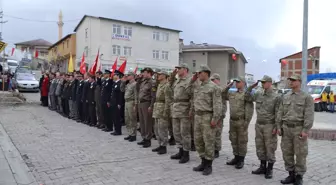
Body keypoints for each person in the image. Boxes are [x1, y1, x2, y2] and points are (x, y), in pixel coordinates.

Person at [277, 74, 314, 185]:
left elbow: (309, 115)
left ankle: (299, 176)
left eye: (293, 80)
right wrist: (278, 126)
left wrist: (305, 130)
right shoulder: (286, 96)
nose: (291, 82)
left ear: (299, 81)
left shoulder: (306, 97)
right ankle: (291, 174)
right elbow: (280, 112)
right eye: (290, 80)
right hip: (286, 129)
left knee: (300, 153)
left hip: (298, 129)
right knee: (286, 152)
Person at [246, 75, 280, 179]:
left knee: (270, 147)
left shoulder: (276, 97)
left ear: (270, 83)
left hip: (269, 125)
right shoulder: (258, 93)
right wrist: (250, 87)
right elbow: (247, 97)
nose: (262, 84)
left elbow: (278, 113)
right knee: (260, 146)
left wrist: (276, 127)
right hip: (259, 124)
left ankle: (269, 169)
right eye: (262, 82)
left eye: (264, 82)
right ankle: (262, 166)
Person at [191, 65, 222, 175]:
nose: (198, 74)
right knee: (198, 141)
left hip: (208, 117)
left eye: (200, 73)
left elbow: (218, 105)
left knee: (208, 141)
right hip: (198, 116)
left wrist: (215, 119)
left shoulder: (214, 87)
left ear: (206, 73)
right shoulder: (198, 86)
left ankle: (209, 165)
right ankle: (203, 161)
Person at [223, 76, 254, 169]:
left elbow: (249, 110)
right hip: (232, 121)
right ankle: (236, 157)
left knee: (242, 141)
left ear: (243, 83)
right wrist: (228, 86)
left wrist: (247, 122)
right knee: (233, 140)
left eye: (238, 82)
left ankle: (241, 160)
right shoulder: (232, 94)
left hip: (241, 121)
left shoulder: (246, 95)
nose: (236, 83)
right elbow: (222, 94)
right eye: (236, 82)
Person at [168, 63, 193, 164]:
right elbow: (169, 85)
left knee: (185, 133)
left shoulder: (190, 81)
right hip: (176, 108)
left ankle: (186, 154)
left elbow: (193, 96)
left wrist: (191, 109)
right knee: (176, 132)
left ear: (185, 69)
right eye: (177, 69)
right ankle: (180, 151)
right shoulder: (177, 81)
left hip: (184, 109)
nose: (177, 70)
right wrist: (173, 75)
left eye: (179, 69)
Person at [152, 70, 173, 155]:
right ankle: (160, 144)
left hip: (163, 108)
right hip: (157, 108)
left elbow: (168, 100)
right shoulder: (160, 85)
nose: (158, 75)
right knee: (156, 128)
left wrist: (166, 111)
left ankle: (164, 146)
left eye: (160, 74)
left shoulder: (166, 86)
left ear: (164, 76)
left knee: (162, 129)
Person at [136, 67, 156, 148]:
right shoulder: (143, 81)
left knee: (147, 122)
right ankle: (144, 137)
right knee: (142, 122)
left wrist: (151, 106)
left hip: (147, 103)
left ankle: (148, 140)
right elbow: (137, 89)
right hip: (141, 103)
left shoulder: (152, 82)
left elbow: (153, 96)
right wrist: (139, 80)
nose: (143, 74)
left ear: (149, 73)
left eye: (144, 72)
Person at [209, 73, 227, 158]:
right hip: (212, 114)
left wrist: (220, 115)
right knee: (212, 133)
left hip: (219, 115)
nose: (212, 82)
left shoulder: (220, 89)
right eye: (211, 80)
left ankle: (217, 150)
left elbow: (223, 105)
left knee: (217, 133)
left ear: (218, 80)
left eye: (213, 80)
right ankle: (212, 148)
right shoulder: (212, 89)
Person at [121, 71, 138, 142]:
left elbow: (136, 95)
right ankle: (130, 133)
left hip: (132, 102)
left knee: (132, 119)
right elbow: (122, 90)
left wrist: (135, 105)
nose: (127, 76)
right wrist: (123, 82)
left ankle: (133, 135)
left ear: (133, 76)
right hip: (126, 102)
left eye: (129, 75)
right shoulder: (128, 84)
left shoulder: (135, 84)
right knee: (127, 119)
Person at [109, 70, 124, 136]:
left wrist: (119, 103)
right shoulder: (115, 83)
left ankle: (118, 131)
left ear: (118, 76)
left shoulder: (120, 83)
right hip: (113, 102)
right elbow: (112, 94)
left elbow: (121, 94)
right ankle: (115, 130)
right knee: (114, 117)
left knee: (117, 117)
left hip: (117, 103)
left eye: (115, 75)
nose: (113, 76)